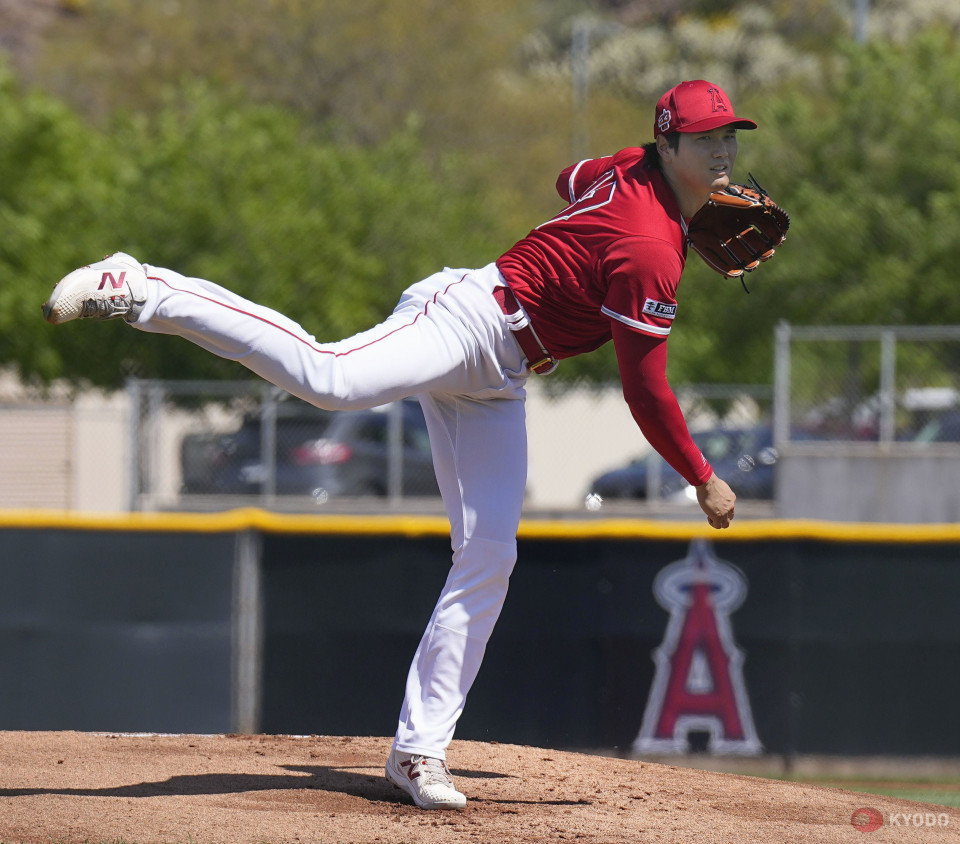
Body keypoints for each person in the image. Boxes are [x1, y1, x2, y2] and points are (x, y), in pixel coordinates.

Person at [43, 79, 746, 810]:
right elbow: (646, 390)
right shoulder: (648, 252)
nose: (723, 150)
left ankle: (417, 752)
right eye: (704, 138)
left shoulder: (627, 171)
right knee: (331, 378)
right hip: (470, 319)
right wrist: (700, 475)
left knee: (489, 556)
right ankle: (149, 287)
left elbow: (570, 179)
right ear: (668, 143)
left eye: (729, 135)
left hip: (503, 373)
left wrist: (662, 199)